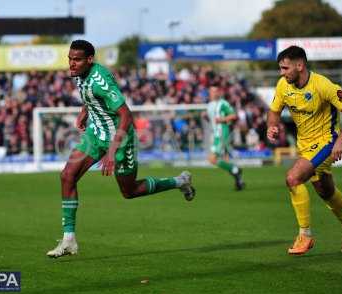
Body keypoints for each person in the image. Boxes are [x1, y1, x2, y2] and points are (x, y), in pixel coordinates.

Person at [47, 40, 195, 258]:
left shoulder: (101, 81)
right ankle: (69, 240)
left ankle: (180, 181)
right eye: (70, 58)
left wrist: (111, 151)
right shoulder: (80, 73)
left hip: (120, 139)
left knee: (129, 191)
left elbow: (126, 115)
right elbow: (91, 96)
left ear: (89, 60)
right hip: (95, 134)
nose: (71, 63)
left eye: (76, 59)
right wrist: (85, 111)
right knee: (67, 176)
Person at [267, 45, 342, 255]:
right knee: (325, 190)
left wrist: (340, 141)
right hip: (305, 145)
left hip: (326, 141)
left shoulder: (322, 84)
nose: (282, 73)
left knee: (293, 178)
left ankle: (305, 235)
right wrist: (272, 125)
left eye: (285, 68)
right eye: (280, 69)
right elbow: (274, 111)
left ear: (300, 65)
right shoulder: (283, 86)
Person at [206, 86, 245, 190]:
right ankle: (239, 181)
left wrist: (222, 119)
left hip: (222, 133)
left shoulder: (223, 103)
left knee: (212, 159)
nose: (213, 93)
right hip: (215, 134)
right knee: (225, 159)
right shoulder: (209, 105)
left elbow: (233, 116)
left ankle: (235, 170)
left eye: (215, 91)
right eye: (211, 91)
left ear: (219, 92)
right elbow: (212, 119)